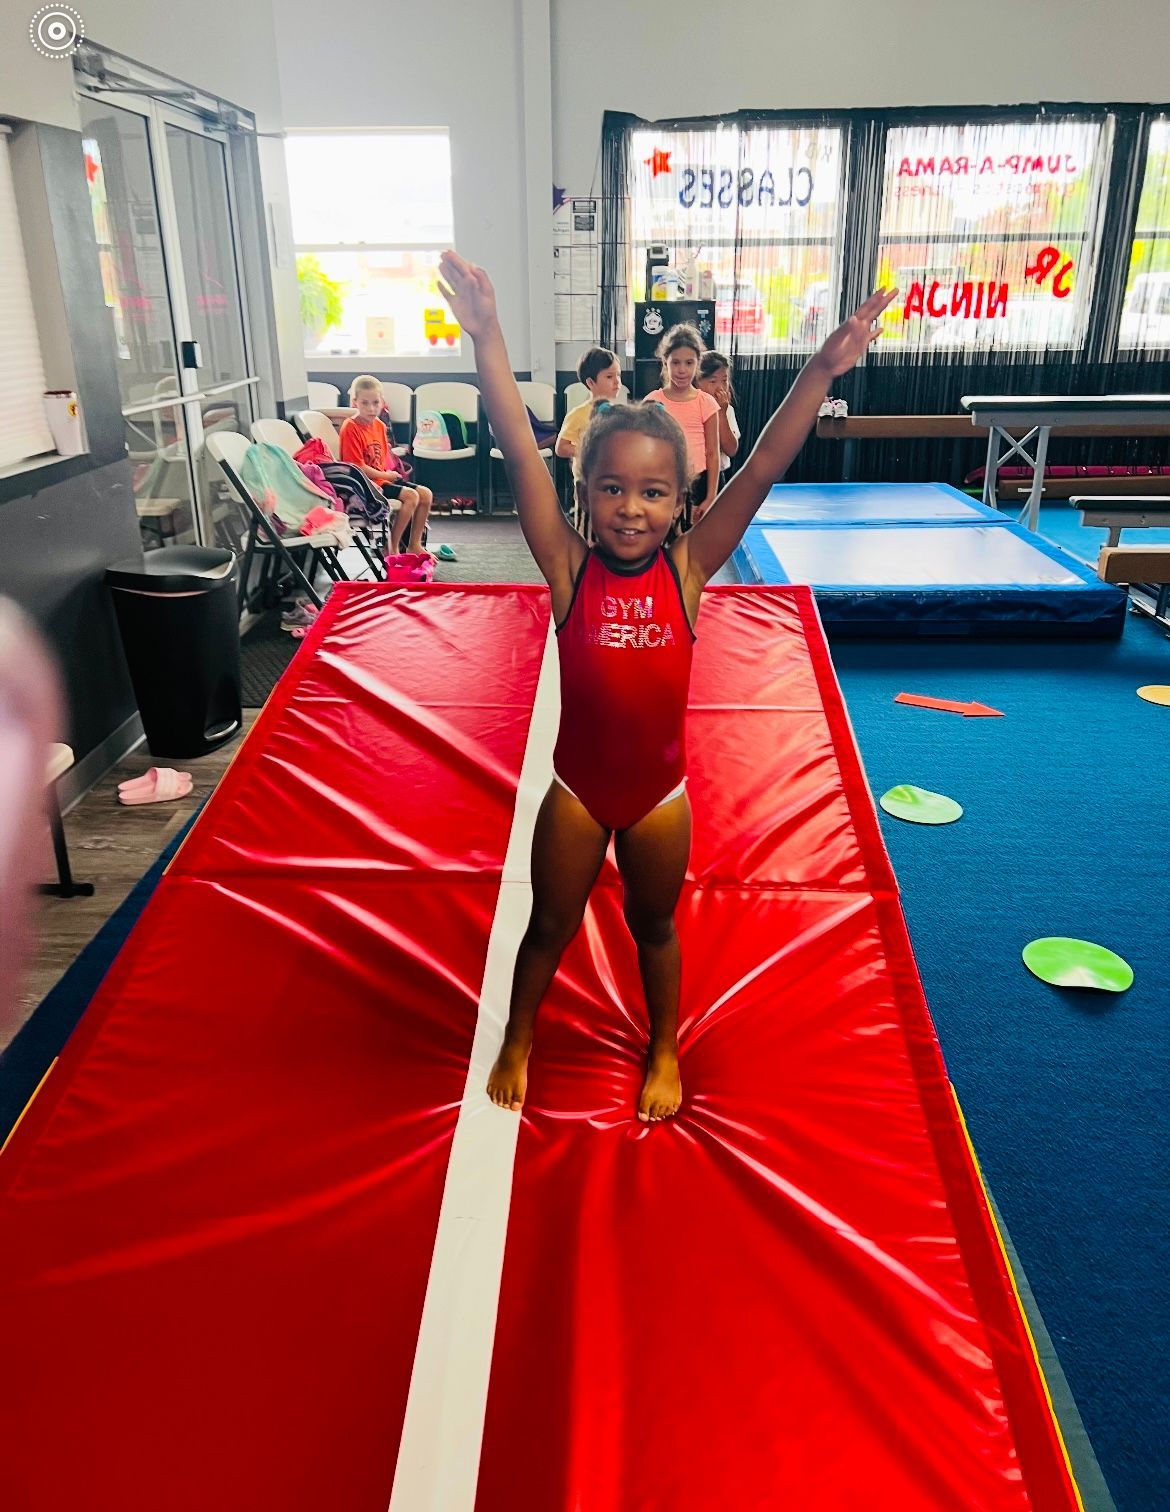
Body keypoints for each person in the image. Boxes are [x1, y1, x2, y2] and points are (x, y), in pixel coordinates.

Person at [438, 249, 895, 1124]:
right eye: (612, 489)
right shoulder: (569, 570)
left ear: (679, 500)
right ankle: (520, 1035)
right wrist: (488, 336)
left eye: (653, 492)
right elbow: (515, 448)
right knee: (548, 929)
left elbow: (759, 467)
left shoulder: (686, 573)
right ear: (586, 492)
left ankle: (663, 1047)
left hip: (659, 798)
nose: (632, 508)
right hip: (575, 793)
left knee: (656, 929)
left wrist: (822, 368)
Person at [338, 375, 434, 556]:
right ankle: (392, 546)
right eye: (365, 403)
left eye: (375, 402)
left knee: (426, 494)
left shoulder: (380, 426)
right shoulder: (350, 427)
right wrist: (388, 476)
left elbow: (381, 461)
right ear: (354, 402)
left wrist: (389, 473)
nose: (371, 408)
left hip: (381, 479)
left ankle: (414, 545)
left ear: (382, 402)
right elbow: (356, 468)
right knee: (411, 496)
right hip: (365, 485)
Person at [643, 324, 720, 525]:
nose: (682, 370)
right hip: (662, 481)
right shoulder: (653, 401)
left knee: (691, 542)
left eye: (688, 363)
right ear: (664, 362)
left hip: (697, 484)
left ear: (697, 363)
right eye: (675, 362)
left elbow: (713, 452)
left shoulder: (706, 402)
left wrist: (711, 496)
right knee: (664, 536)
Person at [555, 346, 623, 470]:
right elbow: (561, 448)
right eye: (609, 377)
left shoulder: (619, 413)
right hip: (586, 480)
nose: (617, 381)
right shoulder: (578, 414)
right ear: (590, 383)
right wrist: (590, 452)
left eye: (618, 375)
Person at [697, 349, 740, 488]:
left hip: (717, 477)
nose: (720, 387)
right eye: (713, 381)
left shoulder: (727, 410)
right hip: (691, 476)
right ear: (697, 381)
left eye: (724, 380)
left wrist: (721, 413)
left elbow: (731, 449)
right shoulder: (691, 407)